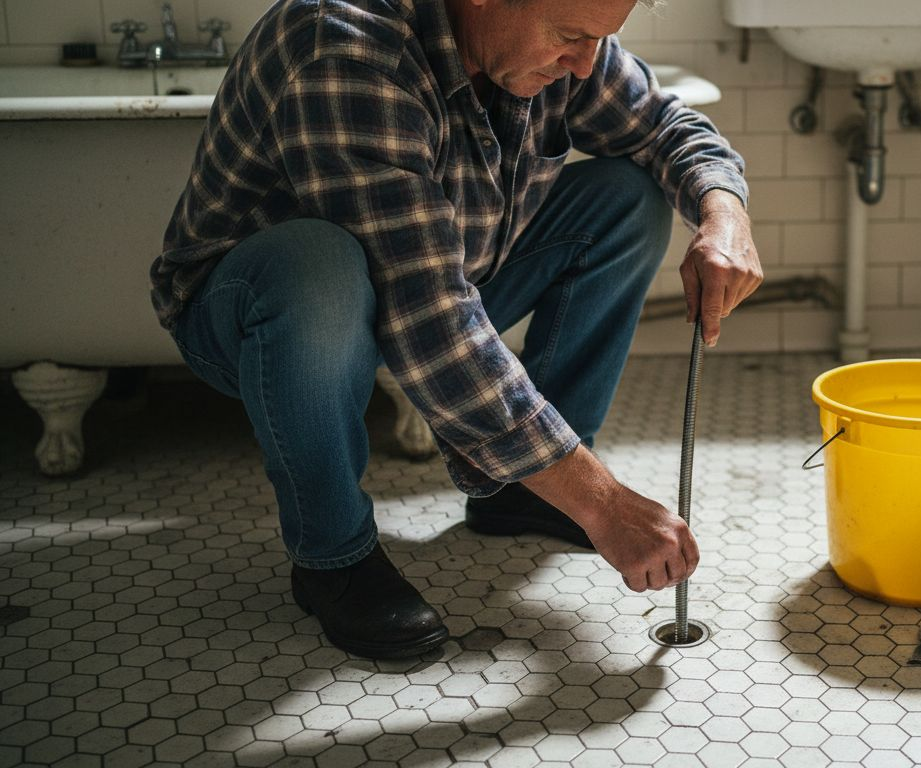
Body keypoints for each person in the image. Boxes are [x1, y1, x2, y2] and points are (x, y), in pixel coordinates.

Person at [150, 0, 761, 660]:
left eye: (598, 40)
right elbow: (429, 315)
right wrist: (603, 503)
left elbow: (666, 125)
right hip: (266, 316)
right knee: (317, 262)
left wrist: (723, 215)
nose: (585, 64)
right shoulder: (344, 46)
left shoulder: (560, 36)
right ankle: (332, 555)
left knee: (626, 196)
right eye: (569, 37)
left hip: (435, 278)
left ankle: (524, 494)